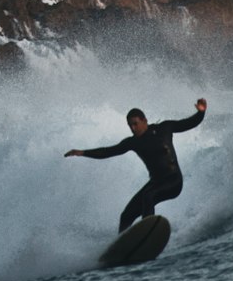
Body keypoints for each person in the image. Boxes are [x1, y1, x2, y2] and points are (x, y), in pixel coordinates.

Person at [65, 98, 207, 232]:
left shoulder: (165, 128)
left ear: (144, 121)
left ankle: (147, 232)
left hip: (173, 181)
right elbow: (108, 151)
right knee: (126, 215)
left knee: (148, 196)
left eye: (135, 124)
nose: (133, 128)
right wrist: (82, 152)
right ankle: (122, 244)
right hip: (155, 183)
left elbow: (189, 123)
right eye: (130, 125)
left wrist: (201, 112)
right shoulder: (132, 142)